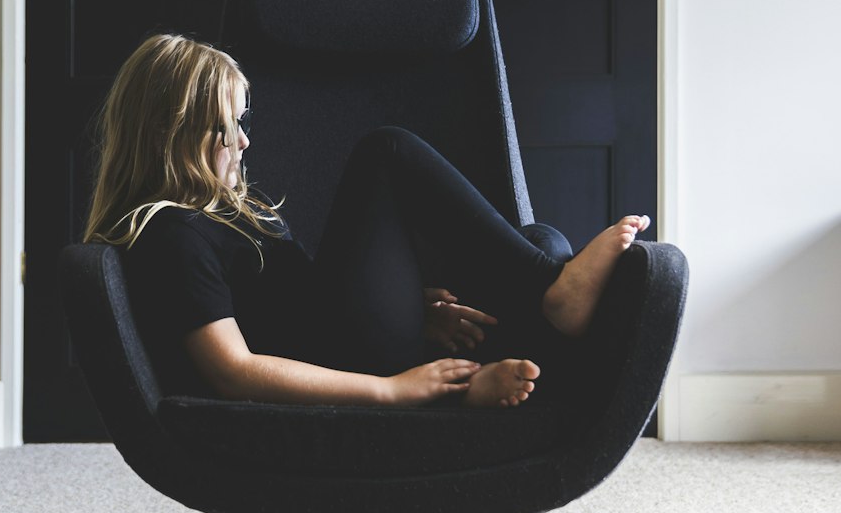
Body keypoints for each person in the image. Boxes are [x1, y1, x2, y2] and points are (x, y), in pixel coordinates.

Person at [84, 34, 649, 411]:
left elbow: (299, 300)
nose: (244, 140)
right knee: (387, 153)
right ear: (170, 137)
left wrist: (406, 306)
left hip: (341, 331)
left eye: (241, 122)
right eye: (225, 129)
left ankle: (513, 340)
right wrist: (390, 390)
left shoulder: (218, 216)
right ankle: (550, 295)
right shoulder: (171, 237)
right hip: (344, 360)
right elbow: (233, 371)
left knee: (541, 238)